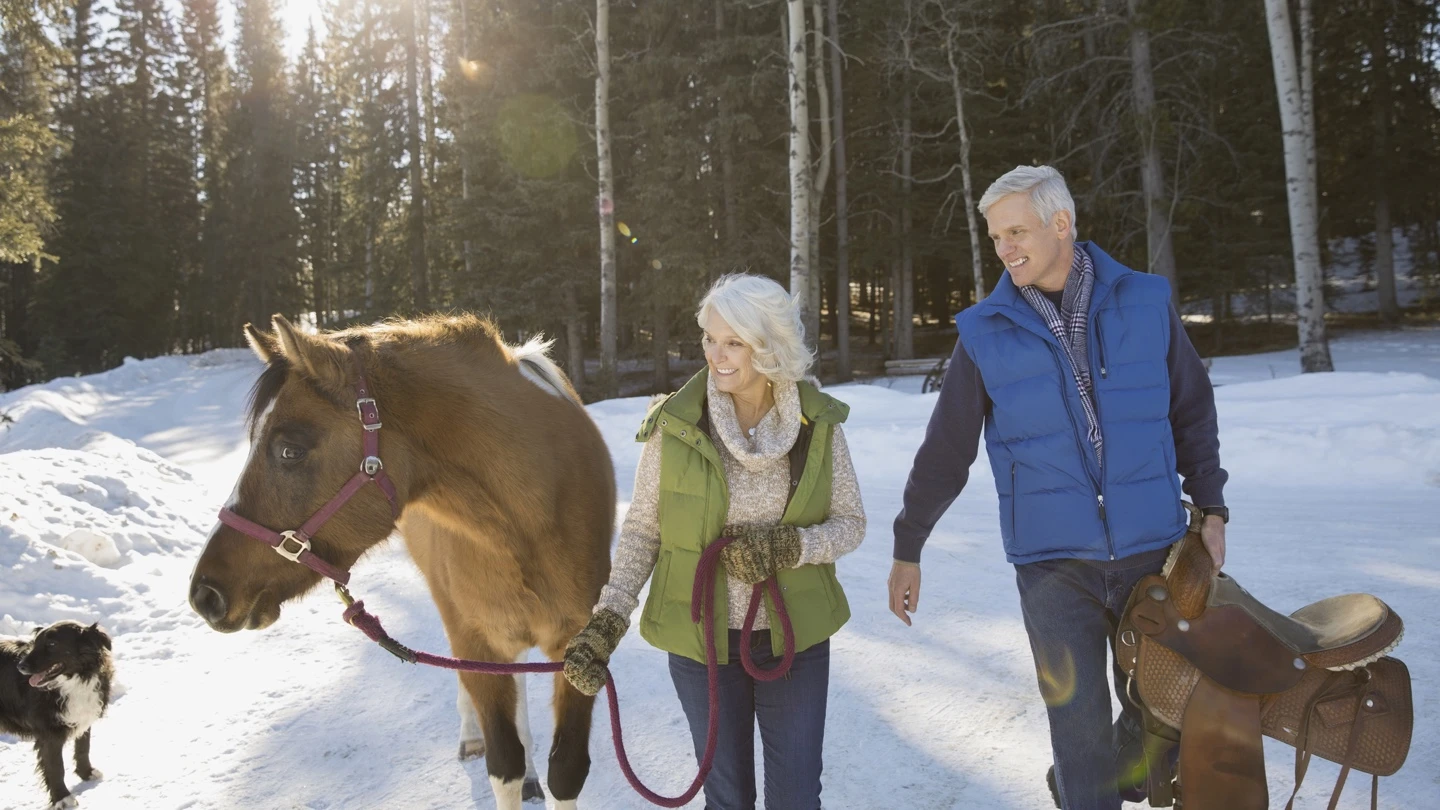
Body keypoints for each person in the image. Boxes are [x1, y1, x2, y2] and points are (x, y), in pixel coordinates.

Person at [886, 165, 1229, 810]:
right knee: (1077, 734)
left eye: (1015, 231)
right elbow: (946, 451)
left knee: (1178, 698)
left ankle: (1116, 773)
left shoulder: (1147, 301)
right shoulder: (984, 331)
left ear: (1061, 223)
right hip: (1052, 569)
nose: (1004, 248)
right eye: (994, 237)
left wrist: (1210, 506)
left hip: (1151, 550)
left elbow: (1191, 409)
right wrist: (910, 545)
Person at [563, 273, 866, 810]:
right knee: (726, 799)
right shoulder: (675, 425)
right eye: (709, 338)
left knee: (797, 798)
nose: (716, 355)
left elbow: (850, 523)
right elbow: (642, 531)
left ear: (769, 346)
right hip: (703, 643)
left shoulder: (817, 423)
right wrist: (607, 621)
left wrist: (788, 547)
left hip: (794, 640)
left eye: (734, 342)